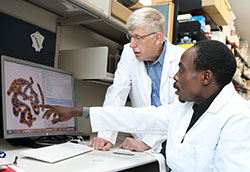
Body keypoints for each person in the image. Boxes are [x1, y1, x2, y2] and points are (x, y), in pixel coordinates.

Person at [42, 40, 250, 171]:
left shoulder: (238, 117)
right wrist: (79, 111)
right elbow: (140, 117)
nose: (175, 77)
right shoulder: (187, 107)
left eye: (181, 70)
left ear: (206, 77)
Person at [87, 7, 185, 152]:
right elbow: (117, 93)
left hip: (173, 140)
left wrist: (148, 142)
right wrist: (105, 136)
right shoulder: (129, 52)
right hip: (140, 140)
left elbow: (178, 110)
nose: (132, 44)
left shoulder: (181, 58)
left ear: (157, 38)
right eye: (131, 36)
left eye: (138, 37)